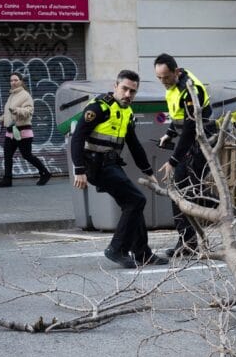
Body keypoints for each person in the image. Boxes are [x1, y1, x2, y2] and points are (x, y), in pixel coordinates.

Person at [154, 53, 236, 258]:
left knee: (188, 192)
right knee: (184, 192)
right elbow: (179, 118)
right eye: (159, 78)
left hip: (201, 144)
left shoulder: (190, 89)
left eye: (166, 77)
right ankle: (188, 242)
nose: (163, 81)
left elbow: (191, 127)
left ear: (176, 71)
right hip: (189, 143)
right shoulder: (174, 87)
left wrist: (173, 160)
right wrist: (170, 133)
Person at [71, 70, 167, 268]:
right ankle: (117, 249)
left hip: (111, 164)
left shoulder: (127, 112)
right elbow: (77, 137)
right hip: (95, 165)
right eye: (124, 89)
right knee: (136, 200)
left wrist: (148, 171)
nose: (127, 95)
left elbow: (134, 145)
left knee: (133, 203)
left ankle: (142, 253)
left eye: (132, 91)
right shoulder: (99, 108)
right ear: (115, 86)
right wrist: (79, 169)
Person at [0, 72, 51, 188]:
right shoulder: (11, 95)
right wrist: (3, 118)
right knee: (7, 155)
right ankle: (7, 179)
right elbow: (10, 112)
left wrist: (16, 110)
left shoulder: (25, 95)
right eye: (11, 80)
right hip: (11, 132)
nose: (13, 82)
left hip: (23, 131)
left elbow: (29, 111)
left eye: (15, 80)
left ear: (21, 81)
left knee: (27, 155)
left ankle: (45, 173)